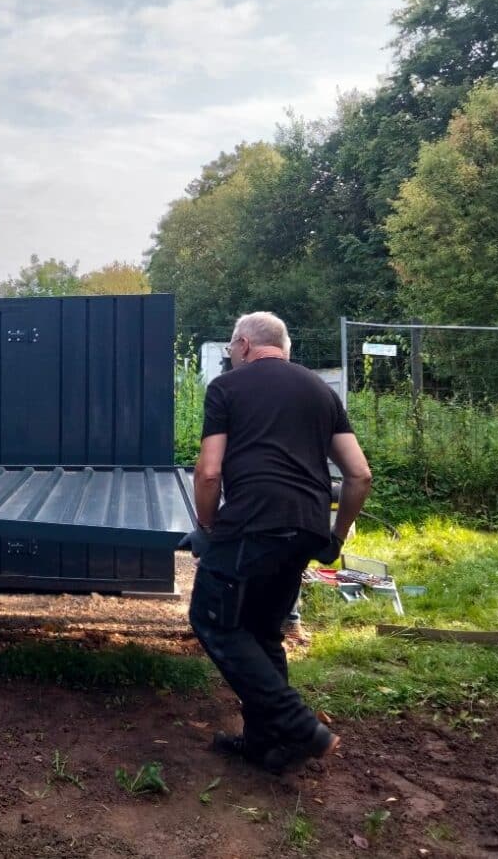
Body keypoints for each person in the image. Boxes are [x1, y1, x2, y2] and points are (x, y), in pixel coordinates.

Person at [185, 311, 372, 772]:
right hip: (307, 527)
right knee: (263, 631)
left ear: (245, 345)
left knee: (212, 618)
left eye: (232, 349)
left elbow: (209, 472)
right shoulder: (320, 391)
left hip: (252, 521)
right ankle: (268, 746)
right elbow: (359, 474)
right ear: (283, 350)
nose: (231, 356)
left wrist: (208, 529)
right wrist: (335, 536)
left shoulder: (227, 388)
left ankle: (300, 727)